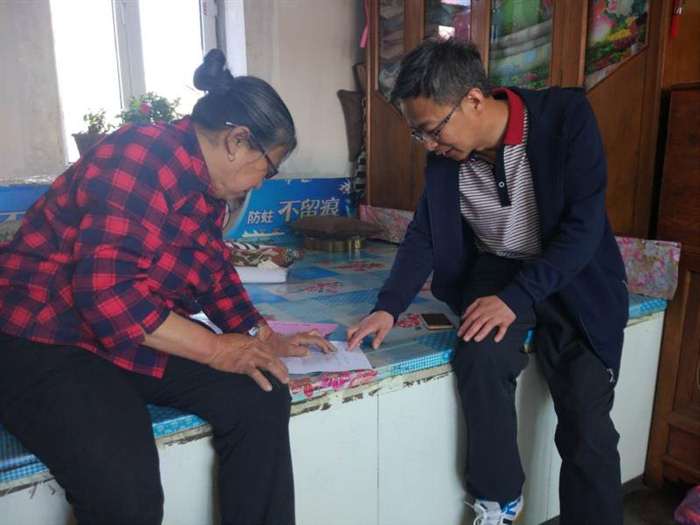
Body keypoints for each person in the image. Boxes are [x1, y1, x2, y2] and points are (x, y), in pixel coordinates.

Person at [0, 49, 333, 525]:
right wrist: (215, 349)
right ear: (238, 141)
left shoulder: (204, 187)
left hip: (123, 336)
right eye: (270, 166)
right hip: (47, 337)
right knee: (125, 490)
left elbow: (212, 271)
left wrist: (261, 337)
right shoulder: (139, 157)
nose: (263, 181)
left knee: (260, 391)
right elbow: (108, 296)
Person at [347, 39, 628, 525]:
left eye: (431, 130)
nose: (429, 145)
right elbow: (425, 233)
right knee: (478, 354)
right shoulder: (447, 157)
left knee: (586, 416)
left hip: (574, 275)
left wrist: (517, 298)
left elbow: (583, 230)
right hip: (499, 268)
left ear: (474, 100)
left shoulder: (565, 118)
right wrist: (387, 306)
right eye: (419, 135)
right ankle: (499, 500)